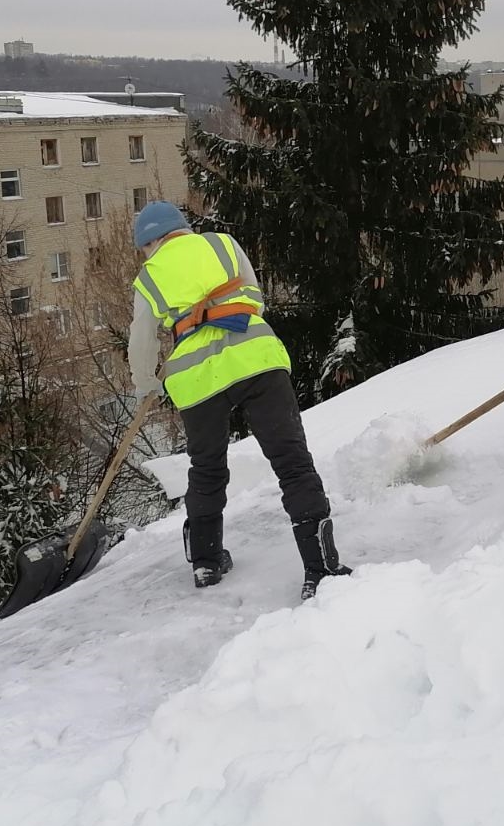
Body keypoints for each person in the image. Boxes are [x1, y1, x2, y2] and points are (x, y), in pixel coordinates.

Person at [127, 201, 352, 598]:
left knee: (207, 469)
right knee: (292, 462)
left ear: (150, 244)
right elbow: (255, 300)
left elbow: (141, 340)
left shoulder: (149, 277)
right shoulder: (223, 245)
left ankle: (206, 563)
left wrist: (148, 382)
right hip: (256, 358)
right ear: (183, 229)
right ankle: (321, 568)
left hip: (196, 381)